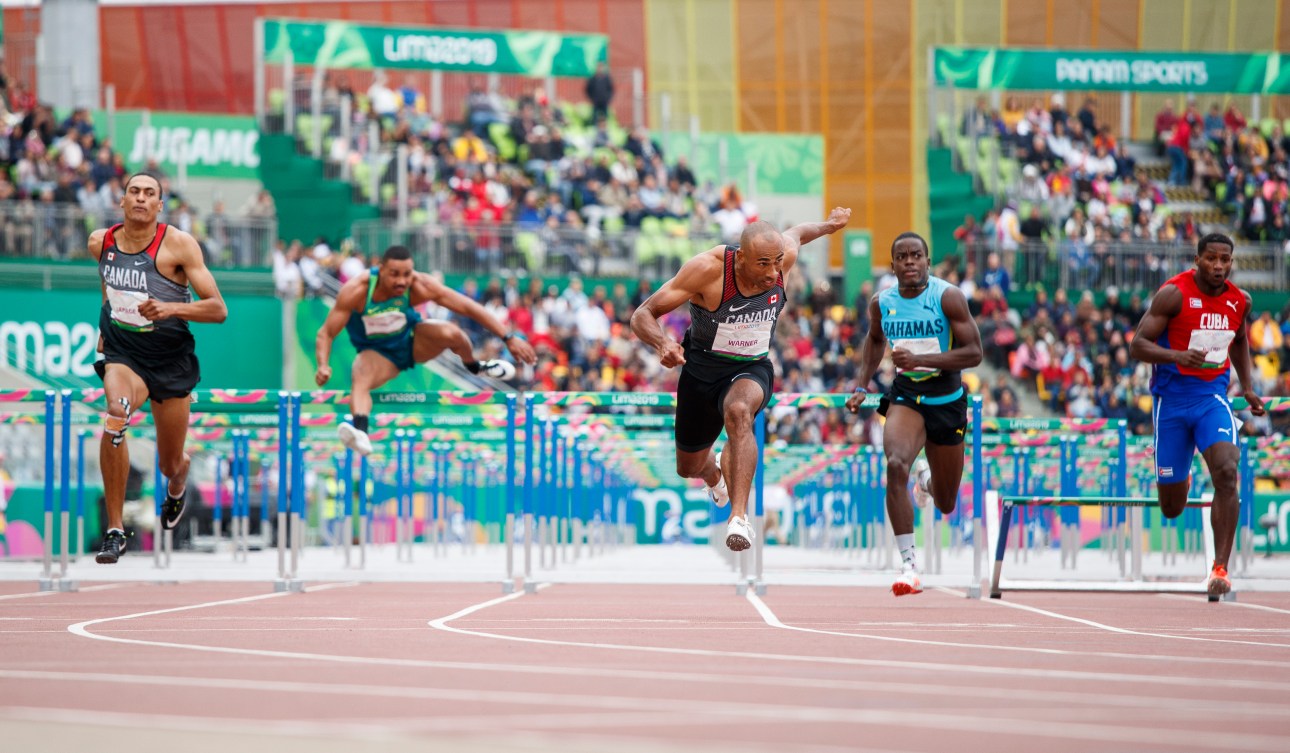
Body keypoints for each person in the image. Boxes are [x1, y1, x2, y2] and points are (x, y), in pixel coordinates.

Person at [630, 208, 852, 551]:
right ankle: (714, 475)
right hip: (701, 369)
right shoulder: (708, 270)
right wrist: (663, 342)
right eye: (763, 263)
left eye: (777, 262)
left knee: (739, 412)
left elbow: (799, 232)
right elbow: (643, 313)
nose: (772, 271)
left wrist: (829, 225)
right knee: (688, 466)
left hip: (752, 367)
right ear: (741, 257)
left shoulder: (781, 259)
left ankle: (739, 518)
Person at [89, 171, 228, 564]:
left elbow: (218, 309)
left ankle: (178, 485)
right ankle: (115, 530)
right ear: (122, 200)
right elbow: (108, 285)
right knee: (116, 414)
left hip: (170, 360)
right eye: (134, 191)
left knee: (170, 461)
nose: (140, 198)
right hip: (125, 354)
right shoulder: (100, 243)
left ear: (159, 205)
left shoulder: (179, 245)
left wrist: (170, 308)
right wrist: (107, 321)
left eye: (150, 193)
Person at [845, 232, 982, 596]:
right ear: (892, 266)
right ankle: (908, 565)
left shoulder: (948, 297)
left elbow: (974, 353)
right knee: (894, 463)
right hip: (907, 397)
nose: (909, 262)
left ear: (927, 262)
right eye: (902, 256)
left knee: (946, 501)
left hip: (947, 400)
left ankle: (926, 483)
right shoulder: (882, 302)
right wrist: (862, 384)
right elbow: (875, 340)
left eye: (916, 255)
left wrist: (921, 359)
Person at [1129, 232, 1265, 598]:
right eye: (1211, 259)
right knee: (1172, 508)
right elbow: (1137, 345)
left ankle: (1220, 568)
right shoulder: (1174, 293)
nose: (1219, 266)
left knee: (1226, 469)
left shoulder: (1240, 301)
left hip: (1210, 398)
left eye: (1225, 260)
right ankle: (1180, 478)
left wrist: (1247, 387)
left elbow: (1238, 340)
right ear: (1197, 259)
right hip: (1171, 402)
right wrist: (1176, 357)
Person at [315, 245, 537, 455]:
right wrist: (323, 365)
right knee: (360, 374)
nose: (402, 281)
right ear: (380, 270)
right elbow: (326, 333)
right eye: (394, 274)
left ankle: (476, 366)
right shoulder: (357, 290)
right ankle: (361, 434)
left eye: (407, 274)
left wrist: (508, 337)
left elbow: (469, 307)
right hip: (379, 354)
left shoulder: (420, 285)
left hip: (412, 341)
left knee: (452, 332)